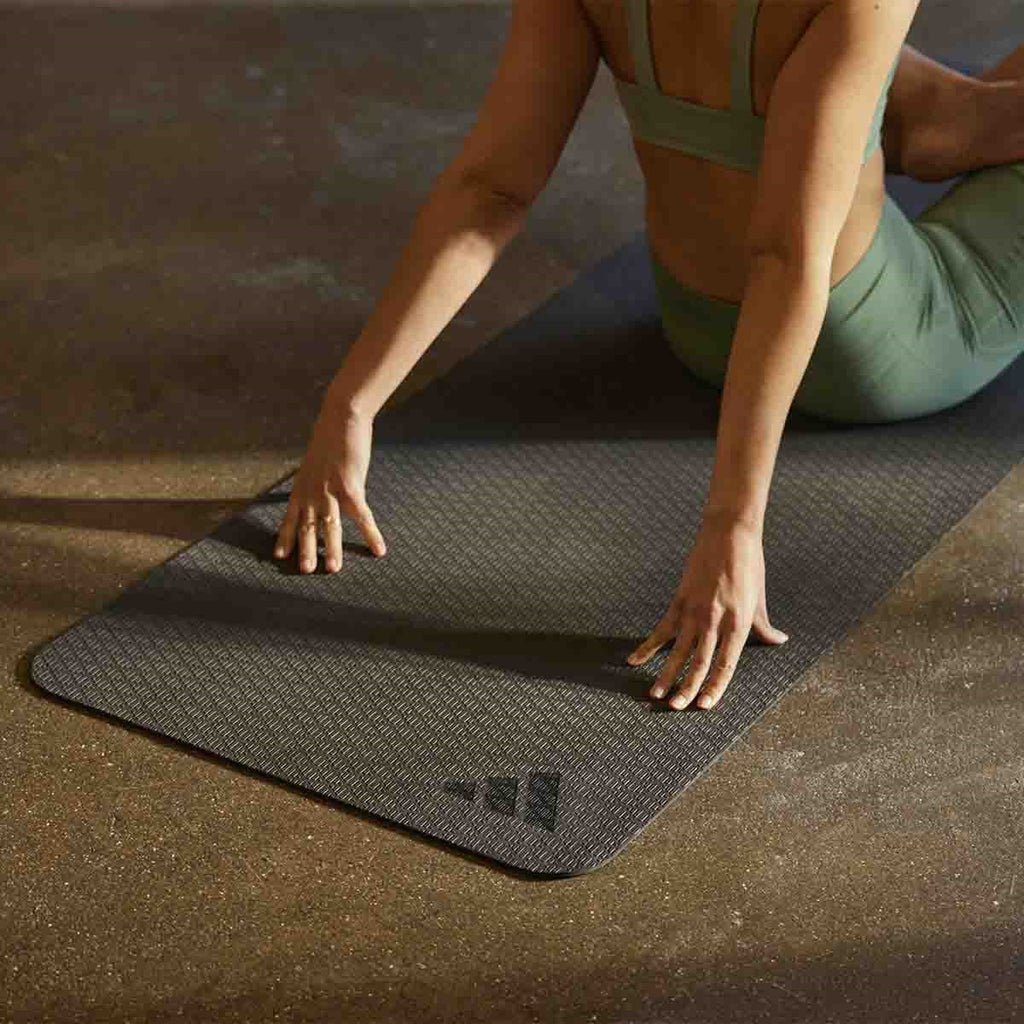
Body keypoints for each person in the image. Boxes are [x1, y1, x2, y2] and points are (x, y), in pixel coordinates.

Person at [272, 0, 1024, 712]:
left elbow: (491, 188)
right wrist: (734, 525)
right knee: (853, 49)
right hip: (875, 349)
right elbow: (787, 257)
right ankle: (941, 121)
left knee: (848, 63)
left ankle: (940, 118)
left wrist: (352, 402)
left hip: (697, 328)